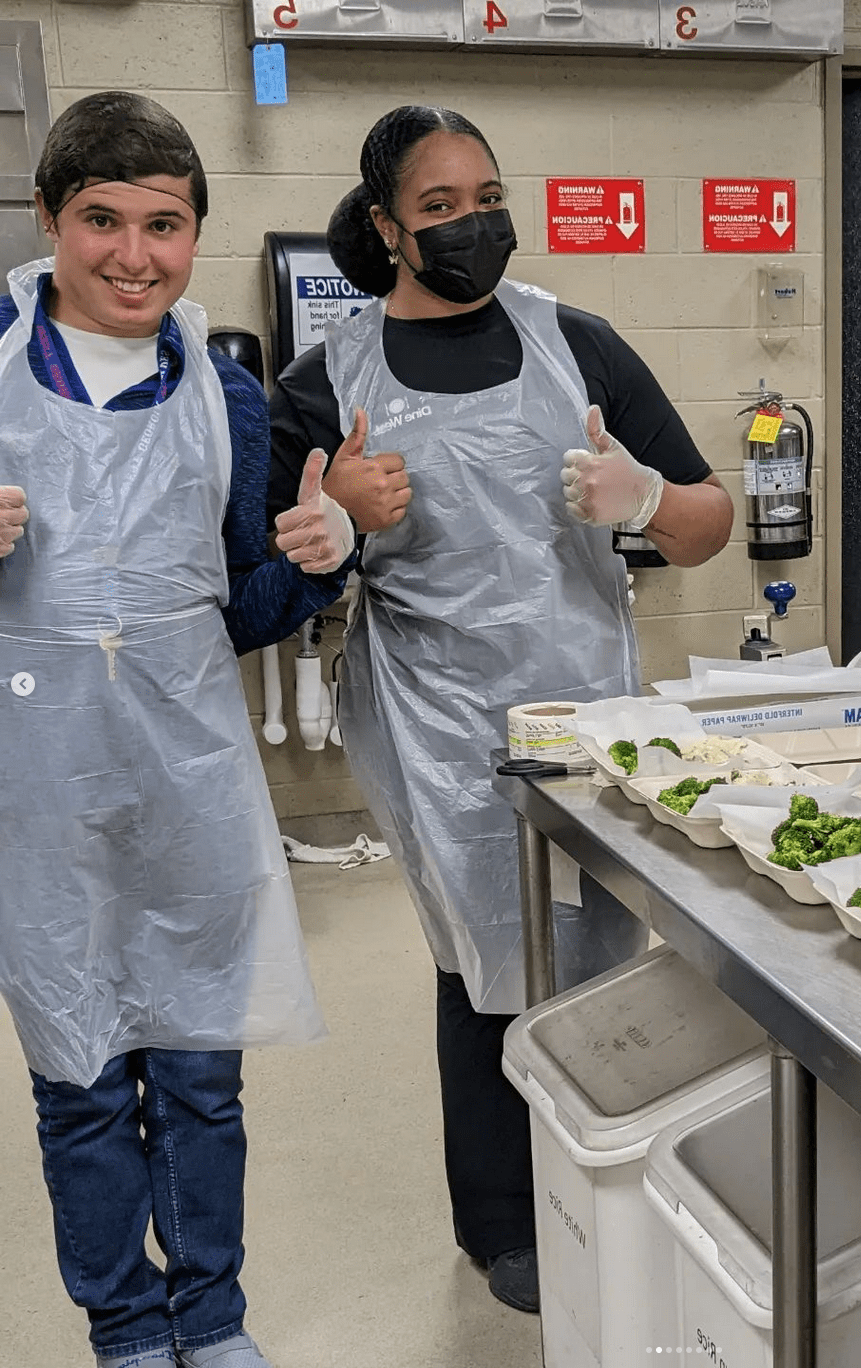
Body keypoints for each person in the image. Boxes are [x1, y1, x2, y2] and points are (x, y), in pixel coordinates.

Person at [268, 105, 733, 1314]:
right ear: (384, 228)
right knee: (483, 956)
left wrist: (641, 499)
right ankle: (502, 1221)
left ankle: (610, 1166)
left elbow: (707, 522)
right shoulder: (329, 380)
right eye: (438, 207)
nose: (472, 225)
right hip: (430, 718)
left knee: (593, 948)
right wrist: (338, 527)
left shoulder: (576, 342)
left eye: (486, 198)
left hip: (584, 707)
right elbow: (275, 570)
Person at [0, 92, 355, 1368]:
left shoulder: (224, 391)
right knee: (80, 1082)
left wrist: (322, 560)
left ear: (197, 232)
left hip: (188, 779)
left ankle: (212, 1317)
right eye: (102, 221)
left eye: (165, 224)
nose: (134, 256)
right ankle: (123, 1328)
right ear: (48, 221)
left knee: (203, 1079)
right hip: (36, 793)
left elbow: (236, 611)